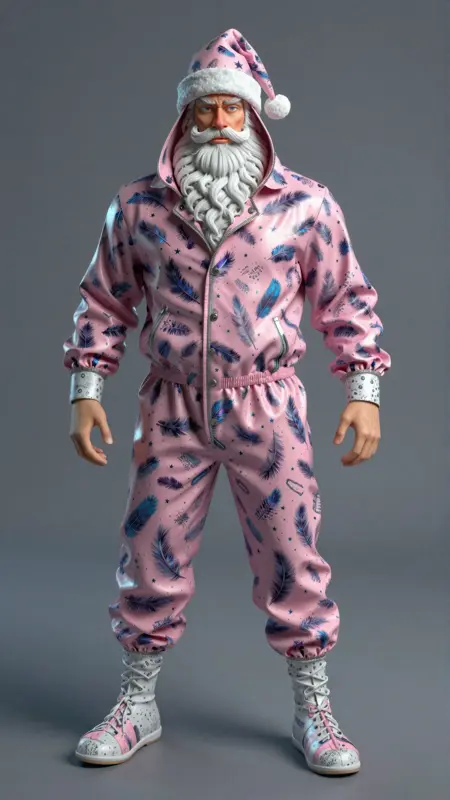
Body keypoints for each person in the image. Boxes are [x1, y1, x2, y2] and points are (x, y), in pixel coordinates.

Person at [63, 27, 391, 775]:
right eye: (205, 109)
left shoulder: (305, 206)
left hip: (268, 413)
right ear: (184, 117)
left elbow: (348, 299)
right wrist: (87, 385)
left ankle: (314, 709)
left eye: (231, 109)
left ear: (254, 117)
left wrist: (363, 389)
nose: (218, 122)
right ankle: (137, 703)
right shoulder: (139, 208)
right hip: (171, 409)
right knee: (149, 553)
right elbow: (103, 301)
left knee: (293, 557)